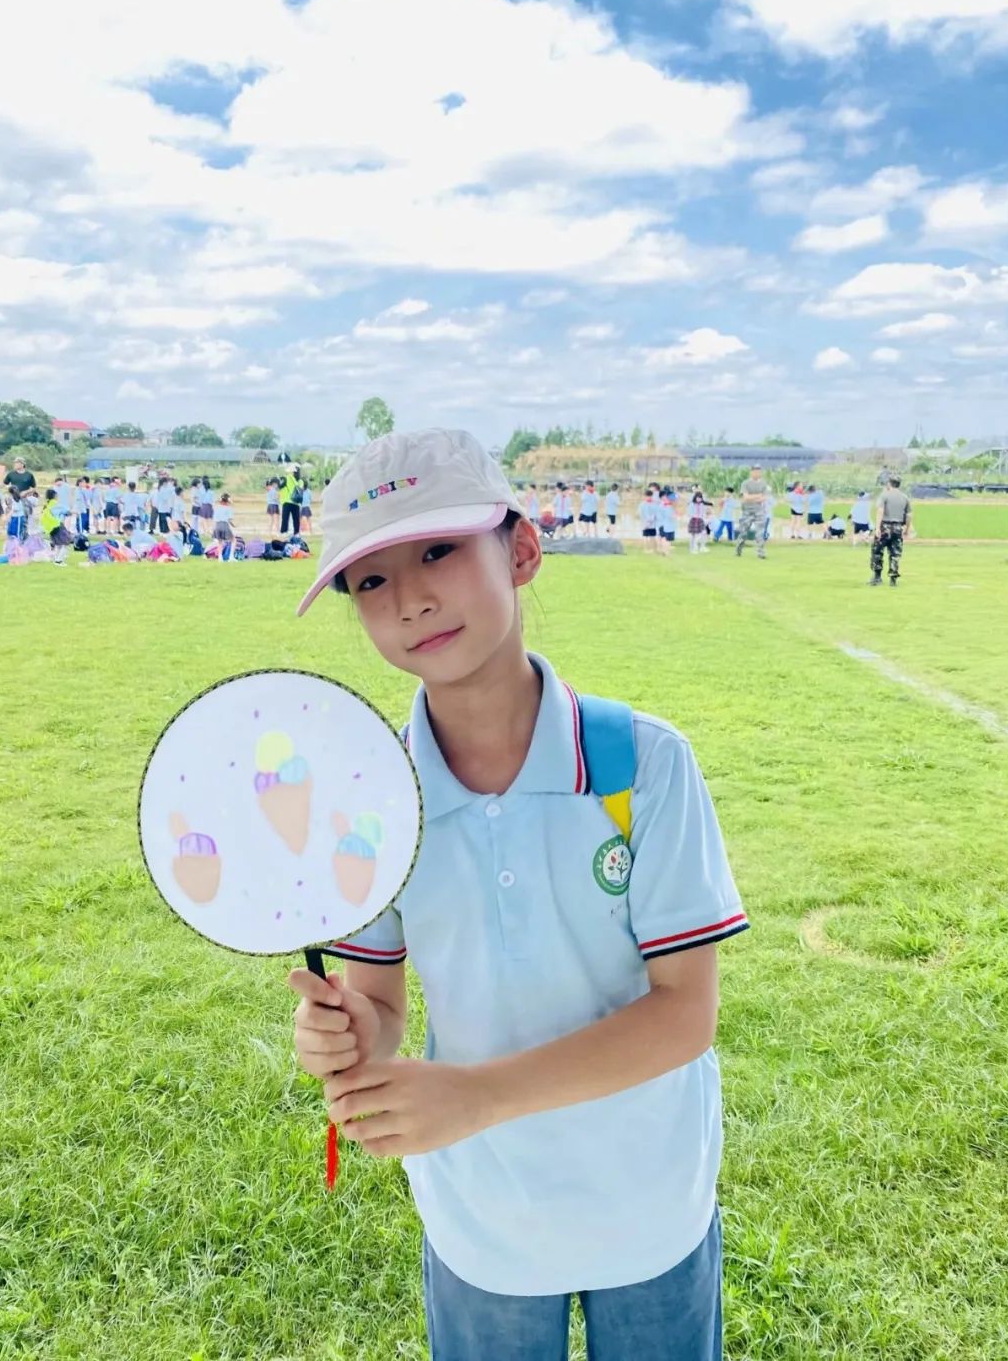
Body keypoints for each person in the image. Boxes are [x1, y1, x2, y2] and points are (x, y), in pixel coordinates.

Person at [289, 427, 748, 1361]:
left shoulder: (642, 762)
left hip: (651, 1203)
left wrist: (478, 1097)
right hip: (482, 1222)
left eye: (438, 550)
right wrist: (343, 1034)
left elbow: (684, 1015)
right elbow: (377, 1000)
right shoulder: (372, 799)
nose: (412, 596)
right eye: (371, 581)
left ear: (523, 549)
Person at [869, 475, 911, 587]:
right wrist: (906, 529)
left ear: (889, 484)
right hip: (898, 528)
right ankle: (893, 580)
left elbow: (880, 510)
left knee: (877, 551)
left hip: (885, 527)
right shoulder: (905, 497)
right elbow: (909, 515)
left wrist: (877, 527)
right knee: (895, 554)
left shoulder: (884, 495)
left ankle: (877, 577)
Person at [735, 466, 769, 559]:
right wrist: (758, 496)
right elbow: (745, 497)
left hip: (759, 511)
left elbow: (764, 497)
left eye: (759, 472)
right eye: (756, 472)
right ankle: (738, 549)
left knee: (760, 533)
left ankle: (761, 553)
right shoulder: (745, 484)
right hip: (747, 511)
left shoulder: (763, 484)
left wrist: (752, 497)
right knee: (743, 532)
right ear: (752, 472)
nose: (758, 473)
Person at [40, 488, 73, 564]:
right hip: (57, 526)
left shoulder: (47, 505)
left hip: (50, 528)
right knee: (65, 543)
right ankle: (59, 561)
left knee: (58, 544)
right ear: (55, 496)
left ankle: (56, 559)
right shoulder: (56, 504)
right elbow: (68, 512)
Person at [279, 470, 301, 536]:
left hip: (287, 501)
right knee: (296, 519)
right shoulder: (299, 480)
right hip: (296, 502)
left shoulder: (286, 478)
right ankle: (296, 533)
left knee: (285, 518)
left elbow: (280, 486)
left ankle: (284, 532)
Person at [687, 489, 708, 554]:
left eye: (700, 498)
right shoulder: (692, 504)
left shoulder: (702, 504)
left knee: (704, 533)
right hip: (694, 520)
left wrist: (704, 518)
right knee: (694, 535)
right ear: (695, 498)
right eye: (698, 498)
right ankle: (692, 548)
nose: (699, 499)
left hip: (700, 520)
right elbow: (689, 513)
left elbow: (703, 512)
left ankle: (702, 547)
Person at [657, 489, 676, 555]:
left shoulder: (662, 504)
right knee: (666, 539)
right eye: (665, 496)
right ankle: (666, 552)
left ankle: (663, 551)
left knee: (663, 538)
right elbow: (669, 516)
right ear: (662, 497)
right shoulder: (665, 505)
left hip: (662, 524)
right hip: (666, 524)